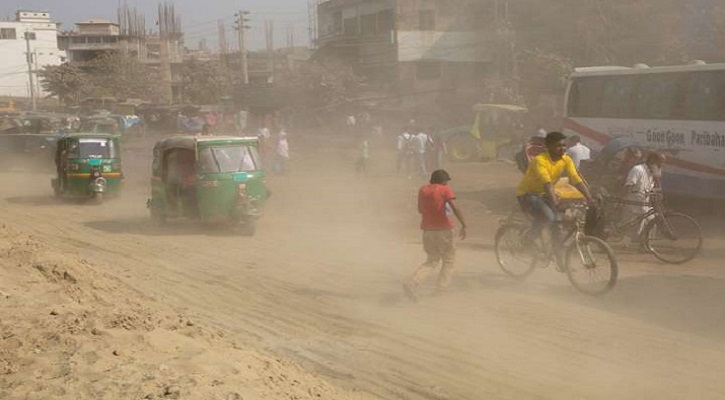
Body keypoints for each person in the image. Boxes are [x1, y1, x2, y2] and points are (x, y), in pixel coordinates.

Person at [516, 131, 593, 266]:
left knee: (558, 225)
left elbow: (576, 179)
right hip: (528, 195)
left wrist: (589, 197)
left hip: (545, 194)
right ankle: (528, 239)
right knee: (548, 217)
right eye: (558, 146)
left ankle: (559, 259)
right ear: (548, 147)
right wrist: (556, 202)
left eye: (564, 146)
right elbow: (547, 183)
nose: (562, 148)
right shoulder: (540, 161)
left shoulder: (566, 159)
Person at [402, 169, 467, 301]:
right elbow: (455, 208)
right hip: (445, 229)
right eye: (446, 182)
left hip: (428, 230)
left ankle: (413, 283)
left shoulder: (423, 190)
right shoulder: (445, 190)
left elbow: (420, 210)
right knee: (449, 260)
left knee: (432, 261)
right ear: (444, 181)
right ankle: (441, 290)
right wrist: (464, 225)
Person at [622, 152, 666, 245]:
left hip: (644, 203)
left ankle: (645, 244)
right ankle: (640, 243)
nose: (661, 166)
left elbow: (653, 187)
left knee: (651, 220)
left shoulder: (652, 172)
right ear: (652, 162)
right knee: (636, 226)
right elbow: (628, 186)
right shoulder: (638, 170)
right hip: (634, 202)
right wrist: (623, 201)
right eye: (660, 163)